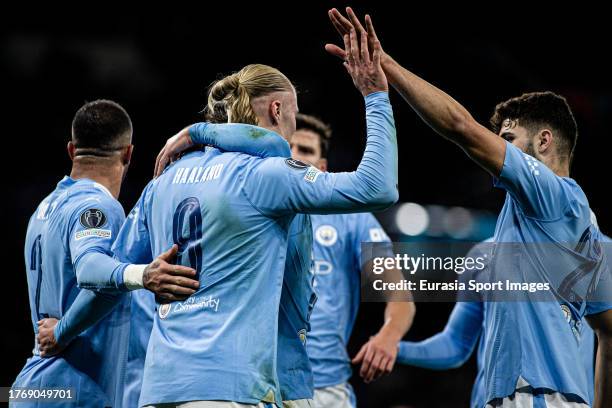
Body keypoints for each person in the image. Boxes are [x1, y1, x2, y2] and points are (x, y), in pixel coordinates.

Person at [326, 7, 612, 407]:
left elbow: (461, 127)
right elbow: (455, 346)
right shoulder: (580, 240)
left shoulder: (558, 196)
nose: (499, 149)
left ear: (544, 142)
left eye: (509, 138)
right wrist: (390, 346)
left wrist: (385, 66)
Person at [119, 45, 397, 407]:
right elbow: (379, 186)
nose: (293, 134)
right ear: (278, 109)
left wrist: (64, 330)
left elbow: (107, 271)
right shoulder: (266, 177)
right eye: (295, 116)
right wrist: (375, 96)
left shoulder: (162, 182)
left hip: (161, 388)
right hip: (234, 386)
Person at [13, 100, 198, 408]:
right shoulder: (98, 206)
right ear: (129, 153)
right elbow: (91, 268)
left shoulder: (44, 208)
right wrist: (142, 275)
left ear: (72, 150)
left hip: (31, 388)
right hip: (72, 390)